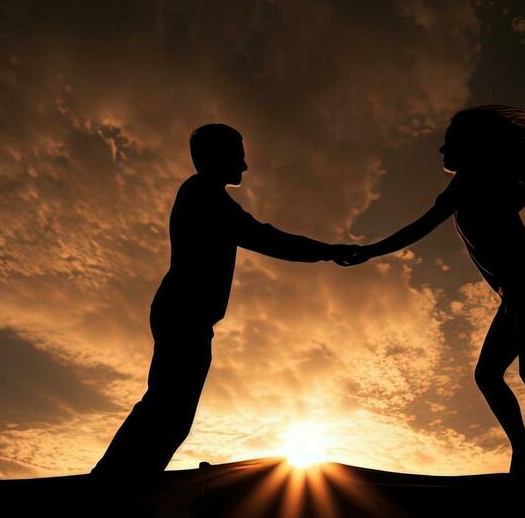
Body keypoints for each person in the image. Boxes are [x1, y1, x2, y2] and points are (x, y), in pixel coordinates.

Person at [341, 105, 525, 485]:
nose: (441, 150)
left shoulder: (472, 179)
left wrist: (370, 250)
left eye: (450, 142)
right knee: (489, 374)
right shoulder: (482, 178)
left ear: (471, 146)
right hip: (519, 286)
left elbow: (422, 226)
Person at [93, 123, 356, 475]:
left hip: (185, 313)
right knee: (168, 407)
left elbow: (261, 235)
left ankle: (126, 478)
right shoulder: (204, 195)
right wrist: (328, 251)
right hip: (184, 313)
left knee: (171, 408)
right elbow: (266, 238)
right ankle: (115, 482)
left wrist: (327, 252)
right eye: (238, 155)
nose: (245, 166)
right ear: (216, 157)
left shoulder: (206, 195)